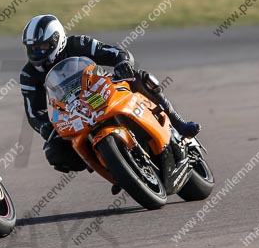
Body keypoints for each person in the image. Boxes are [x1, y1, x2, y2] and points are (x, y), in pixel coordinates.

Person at [20, 14, 199, 175]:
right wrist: (44, 127)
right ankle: (113, 167)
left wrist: (122, 63)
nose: (36, 52)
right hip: (71, 111)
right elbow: (33, 113)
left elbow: (116, 53)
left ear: (56, 41)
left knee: (139, 78)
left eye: (41, 46)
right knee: (55, 151)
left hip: (100, 89)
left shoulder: (78, 43)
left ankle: (177, 122)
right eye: (32, 47)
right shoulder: (29, 74)